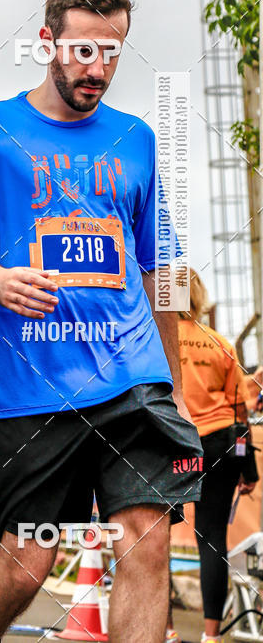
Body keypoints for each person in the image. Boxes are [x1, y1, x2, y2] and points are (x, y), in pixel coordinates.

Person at [0, 0, 204, 643]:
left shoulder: (137, 138)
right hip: (34, 388)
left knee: (144, 539)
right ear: (46, 41)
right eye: (83, 49)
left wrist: (171, 388)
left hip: (131, 377)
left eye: (111, 50)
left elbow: (158, 267)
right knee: (28, 562)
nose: (98, 67)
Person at [166, 270, 258, 643]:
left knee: (156, 538)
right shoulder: (220, 343)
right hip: (220, 443)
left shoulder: (157, 339)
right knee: (212, 538)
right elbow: (240, 413)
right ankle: (211, 636)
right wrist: (246, 464)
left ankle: (166, 630)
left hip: (170, 442)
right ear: (199, 297)